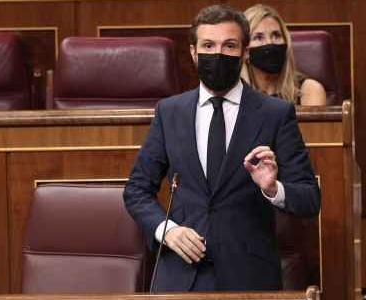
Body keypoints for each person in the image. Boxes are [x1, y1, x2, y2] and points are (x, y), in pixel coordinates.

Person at [123, 4, 320, 292]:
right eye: (208, 45)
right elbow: (136, 190)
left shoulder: (274, 114)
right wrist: (168, 231)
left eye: (229, 45)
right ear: (193, 52)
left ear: (245, 52)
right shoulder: (170, 112)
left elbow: (309, 199)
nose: (218, 54)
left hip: (249, 278)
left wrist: (272, 188)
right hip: (181, 273)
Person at [241, 4, 326, 106]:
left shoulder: (309, 91)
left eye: (276, 35)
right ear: (245, 51)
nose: (269, 42)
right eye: (259, 37)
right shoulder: (234, 94)